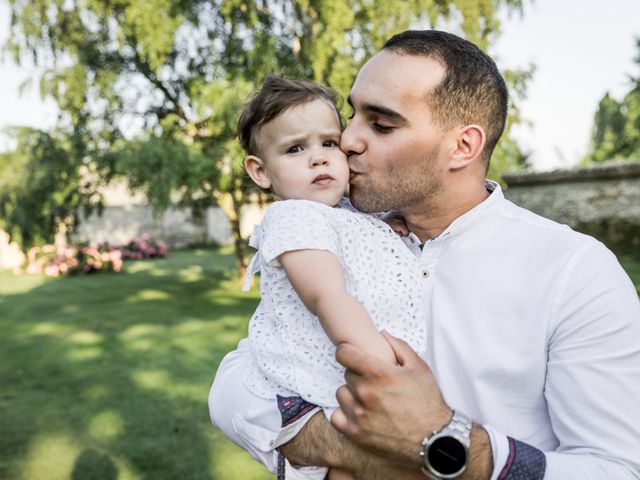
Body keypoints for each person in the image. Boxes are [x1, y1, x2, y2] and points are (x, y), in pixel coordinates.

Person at [209, 30, 640, 480]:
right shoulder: (338, 230)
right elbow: (234, 385)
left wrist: (445, 444)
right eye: (352, 114)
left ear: (463, 147)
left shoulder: (575, 273)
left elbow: (616, 469)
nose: (347, 139)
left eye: (381, 124)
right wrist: (365, 459)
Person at [230, 75, 427, 479]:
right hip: (338, 372)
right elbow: (327, 296)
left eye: (329, 143)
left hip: (356, 372)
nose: (318, 157)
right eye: (295, 148)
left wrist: (385, 228)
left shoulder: (349, 215)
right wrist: (381, 365)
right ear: (260, 171)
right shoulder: (293, 218)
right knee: (354, 461)